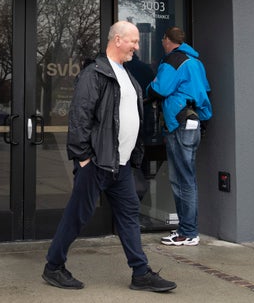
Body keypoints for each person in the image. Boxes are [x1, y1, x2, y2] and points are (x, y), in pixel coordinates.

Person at [41, 21, 177, 293]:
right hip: (97, 162)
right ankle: (53, 267)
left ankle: (140, 273)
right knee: (77, 216)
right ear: (117, 39)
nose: (137, 47)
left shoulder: (125, 74)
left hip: (121, 165)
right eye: (133, 41)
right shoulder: (95, 73)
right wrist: (83, 158)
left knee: (128, 216)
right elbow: (79, 117)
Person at [147, 26, 212, 247]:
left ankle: (188, 232)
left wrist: (147, 89)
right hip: (194, 121)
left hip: (179, 124)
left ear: (167, 40)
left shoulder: (173, 60)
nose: (162, 43)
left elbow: (159, 89)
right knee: (188, 178)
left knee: (181, 179)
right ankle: (188, 229)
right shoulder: (196, 62)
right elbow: (207, 91)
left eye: (163, 39)